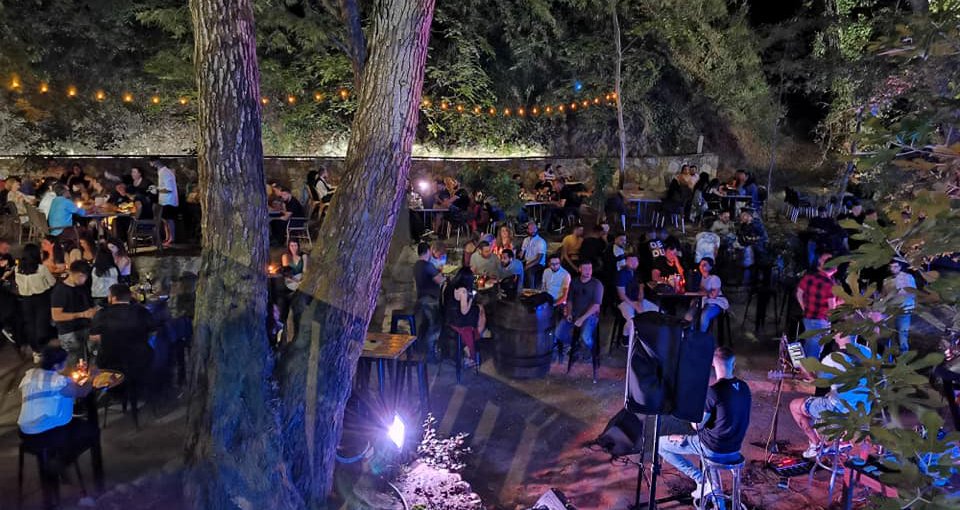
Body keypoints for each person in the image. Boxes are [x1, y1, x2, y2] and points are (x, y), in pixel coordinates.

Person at [659, 347, 751, 498]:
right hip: (735, 448)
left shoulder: (713, 391)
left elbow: (696, 425)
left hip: (714, 449)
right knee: (701, 436)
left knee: (660, 445)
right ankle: (714, 488)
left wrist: (693, 409)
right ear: (734, 364)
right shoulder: (744, 387)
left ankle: (701, 480)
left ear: (712, 364)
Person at [17, 346, 98, 509]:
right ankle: (61, 461)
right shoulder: (57, 381)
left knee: (69, 430)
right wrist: (92, 377)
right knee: (91, 432)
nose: (66, 364)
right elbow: (82, 392)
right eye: (64, 362)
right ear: (56, 365)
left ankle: (55, 462)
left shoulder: (29, 375)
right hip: (46, 433)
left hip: (25, 432)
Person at [789, 334, 873, 458]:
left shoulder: (833, 359)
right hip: (863, 409)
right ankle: (842, 441)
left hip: (838, 410)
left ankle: (815, 444)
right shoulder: (868, 352)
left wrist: (806, 371)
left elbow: (819, 385)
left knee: (794, 406)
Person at [90, 284, 156, 378]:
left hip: (111, 361)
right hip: (140, 359)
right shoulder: (142, 311)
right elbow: (153, 332)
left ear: (113, 298)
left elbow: (93, 337)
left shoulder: (101, 314)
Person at [51, 261, 97, 366]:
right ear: (73, 273)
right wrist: (82, 314)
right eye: (82, 276)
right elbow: (56, 316)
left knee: (90, 360)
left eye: (85, 277)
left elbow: (89, 305)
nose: (84, 280)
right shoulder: (60, 290)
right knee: (74, 363)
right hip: (69, 332)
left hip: (86, 328)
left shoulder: (83, 287)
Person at [555, 260, 603, 362]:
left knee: (585, 337)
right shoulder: (574, 282)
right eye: (585, 269)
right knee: (559, 333)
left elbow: (596, 305)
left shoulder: (597, 284)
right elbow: (569, 300)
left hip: (590, 315)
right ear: (580, 269)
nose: (588, 271)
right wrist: (569, 312)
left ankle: (592, 351)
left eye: (590, 268)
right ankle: (575, 345)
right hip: (574, 313)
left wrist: (582, 319)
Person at [796, 252, 839, 360]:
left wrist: (804, 307)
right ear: (834, 269)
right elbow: (832, 308)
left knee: (808, 346)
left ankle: (804, 368)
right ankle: (809, 370)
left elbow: (799, 293)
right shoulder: (831, 285)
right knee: (814, 352)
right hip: (821, 321)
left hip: (808, 317)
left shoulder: (809, 277)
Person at [15, 244, 57, 354]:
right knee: (41, 323)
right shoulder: (41, 269)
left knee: (30, 324)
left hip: (26, 300)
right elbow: (52, 282)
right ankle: (42, 348)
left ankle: (35, 350)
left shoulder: (18, 269)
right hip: (41, 298)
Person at [444, 267, 485, 367]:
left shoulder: (449, 285)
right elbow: (464, 311)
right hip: (459, 320)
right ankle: (476, 339)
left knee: (479, 308)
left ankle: (475, 338)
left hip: (450, 317)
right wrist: (471, 298)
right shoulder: (463, 291)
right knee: (480, 310)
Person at [414, 241, 446, 361]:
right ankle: (430, 355)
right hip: (430, 300)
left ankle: (421, 351)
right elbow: (440, 280)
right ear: (428, 251)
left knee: (424, 326)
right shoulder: (427, 266)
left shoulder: (417, 265)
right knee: (434, 327)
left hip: (421, 298)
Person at [616, 254, 656, 347]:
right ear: (626, 262)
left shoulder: (637, 273)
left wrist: (640, 302)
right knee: (632, 321)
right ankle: (625, 339)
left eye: (635, 261)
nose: (633, 263)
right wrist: (635, 305)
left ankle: (648, 338)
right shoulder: (622, 274)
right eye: (631, 261)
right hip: (625, 301)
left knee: (657, 312)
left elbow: (641, 287)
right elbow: (622, 295)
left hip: (637, 300)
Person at [685, 257, 729, 333]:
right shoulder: (699, 277)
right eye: (700, 264)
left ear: (710, 267)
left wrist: (703, 291)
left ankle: (702, 336)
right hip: (702, 301)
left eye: (704, 265)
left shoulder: (714, 278)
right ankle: (690, 335)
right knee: (688, 316)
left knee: (704, 315)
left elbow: (713, 295)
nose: (701, 266)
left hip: (715, 302)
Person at [883, 258, 916, 352]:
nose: (892, 269)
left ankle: (904, 355)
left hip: (904, 309)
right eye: (891, 267)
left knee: (902, 334)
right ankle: (891, 355)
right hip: (891, 311)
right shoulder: (886, 281)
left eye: (895, 266)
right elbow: (884, 295)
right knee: (891, 334)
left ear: (900, 267)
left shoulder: (908, 277)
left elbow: (913, 292)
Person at [149, 157, 178, 247]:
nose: (150, 165)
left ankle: (171, 238)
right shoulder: (162, 172)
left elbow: (169, 189)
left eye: (151, 163)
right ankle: (168, 238)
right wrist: (157, 188)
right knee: (165, 220)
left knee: (169, 220)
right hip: (165, 201)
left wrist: (157, 190)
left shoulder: (165, 172)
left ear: (155, 162)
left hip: (168, 201)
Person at [519, 222, 547, 289]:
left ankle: (531, 290)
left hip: (538, 264)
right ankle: (519, 289)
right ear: (527, 230)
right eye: (530, 229)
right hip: (527, 261)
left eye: (534, 228)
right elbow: (521, 254)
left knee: (530, 271)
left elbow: (538, 260)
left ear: (537, 229)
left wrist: (526, 266)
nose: (533, 230)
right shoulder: (526, 240)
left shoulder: (541, 241)